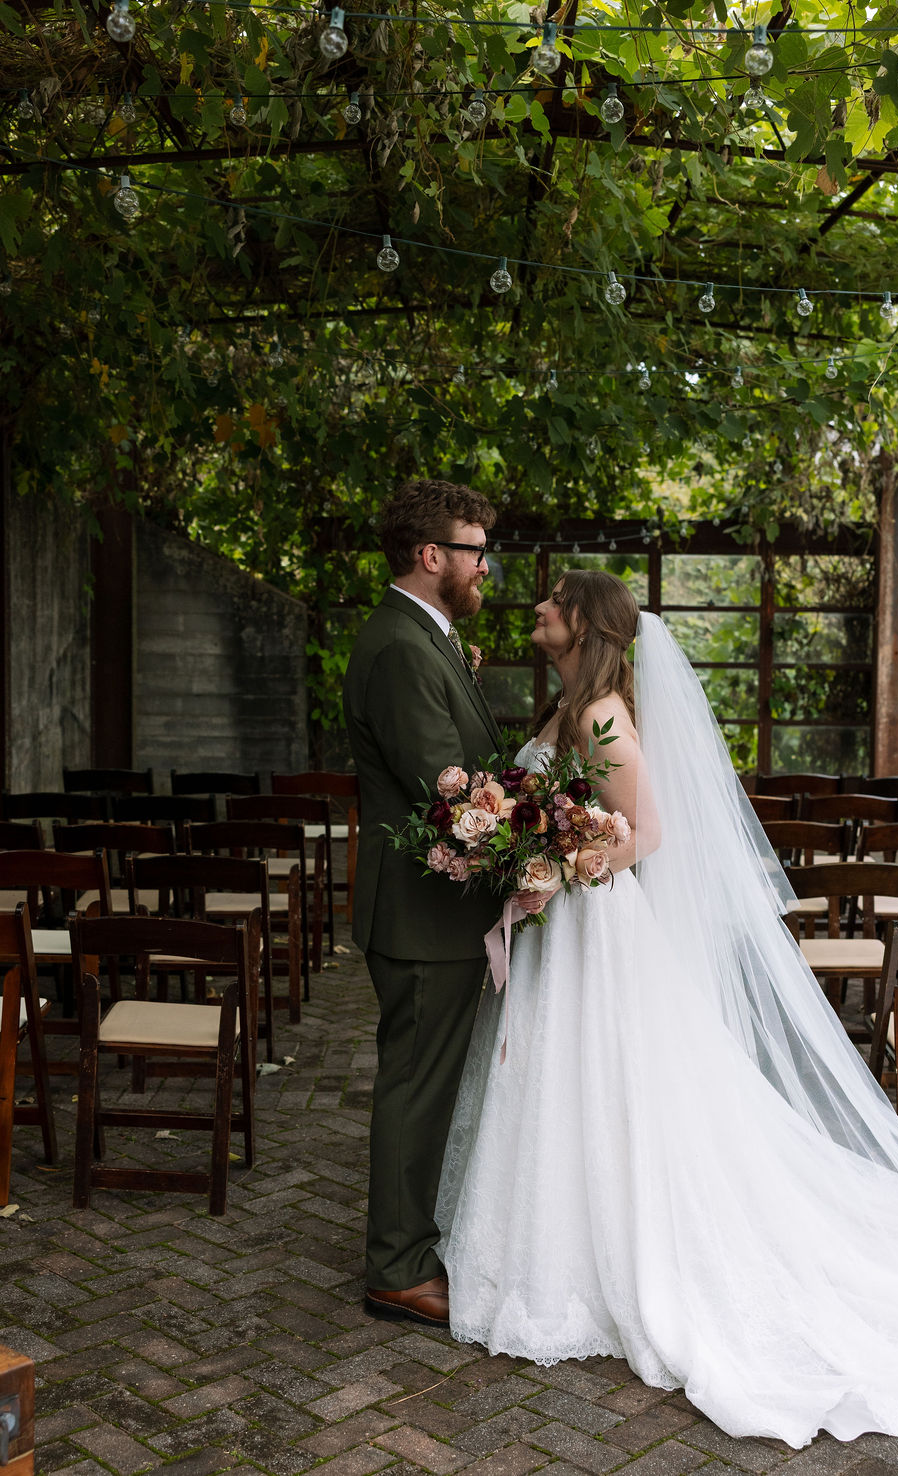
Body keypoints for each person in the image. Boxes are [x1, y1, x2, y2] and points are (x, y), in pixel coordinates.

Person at [436, 568, 898, 1448]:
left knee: (601, 1082)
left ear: (586, 626)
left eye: (558, 600)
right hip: (567, 926)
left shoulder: (600, 717)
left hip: (596, 926)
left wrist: (562, 863)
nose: (541, 607)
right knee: (562, 1086)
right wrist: (530, 847)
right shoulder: (566, 708)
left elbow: (648, 832)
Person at [342, 479, 504, 1328]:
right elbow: (449, 796)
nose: (487, 567)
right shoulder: (404, 648)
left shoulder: (426, 638)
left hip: (435, 912)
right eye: (477, 550)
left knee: (427, 1082)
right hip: (420, 912)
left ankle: (408, 1244)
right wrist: (540, 843)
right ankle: (395, 1270)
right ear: (430, 554)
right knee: (413, 1084)